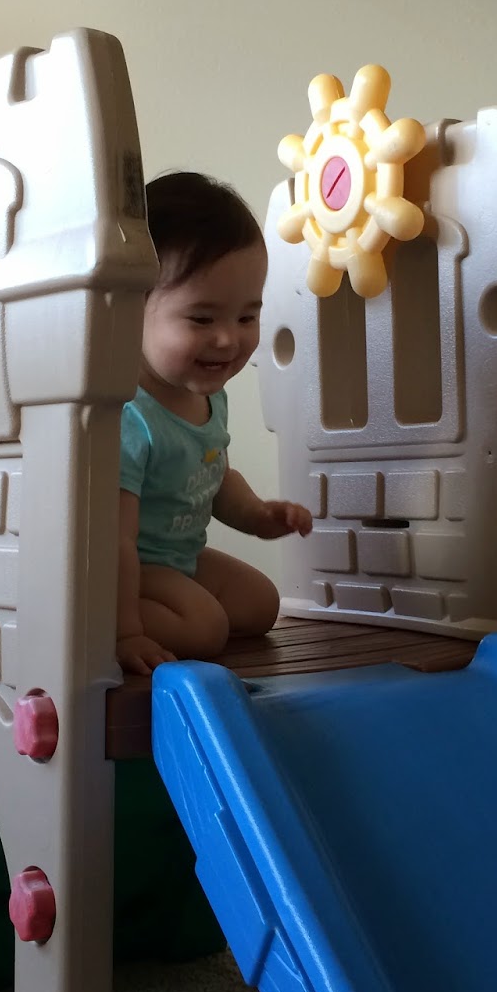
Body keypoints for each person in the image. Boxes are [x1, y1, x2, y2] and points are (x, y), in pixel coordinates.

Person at [117, 171, 313, 675]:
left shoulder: (208, 398)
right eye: (202, 319)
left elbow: (215, 475)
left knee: (261, 604)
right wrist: (126, 630)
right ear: (130, 309)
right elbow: (114, 540)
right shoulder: (128, 415)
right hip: (128, 568)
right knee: (206, 629)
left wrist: (257, 514)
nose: (228, 339)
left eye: (247, 317)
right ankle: (90, 619)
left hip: (182, 558)